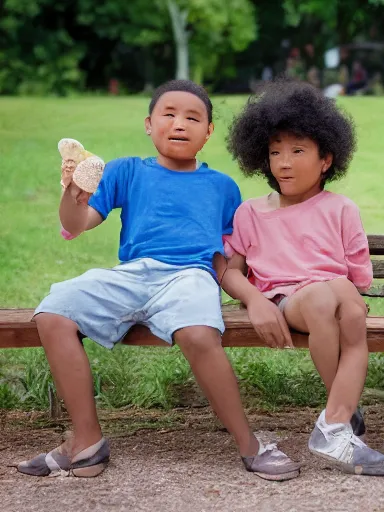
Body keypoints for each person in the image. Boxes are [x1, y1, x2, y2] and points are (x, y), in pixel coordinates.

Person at [19, 80, 300, 481]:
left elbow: (226, 258)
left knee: (200, 334)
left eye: (192, 117)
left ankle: (249, 444)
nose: (179, 123)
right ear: (149, 125)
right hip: (135, 274)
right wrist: (72, 195)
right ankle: (86, 440)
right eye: (168, 114)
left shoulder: (221, 186)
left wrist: (254, 298)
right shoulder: (126, 170)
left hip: (191, 276)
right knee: (53, 311)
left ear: (208, 132)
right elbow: (77, 224)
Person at [223, 80, 384, 476]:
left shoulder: (341, 209)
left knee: (349, 306)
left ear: (326, 159)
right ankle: (339, 419)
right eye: (275, 151)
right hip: (285, 300)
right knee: (324, 297)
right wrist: (256, 300)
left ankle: (335, 421)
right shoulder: (250, 212)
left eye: (298, 150)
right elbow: (230, 273)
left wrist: (342, 289)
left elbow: (358, 276)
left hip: (336, 301)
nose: (284, 162)